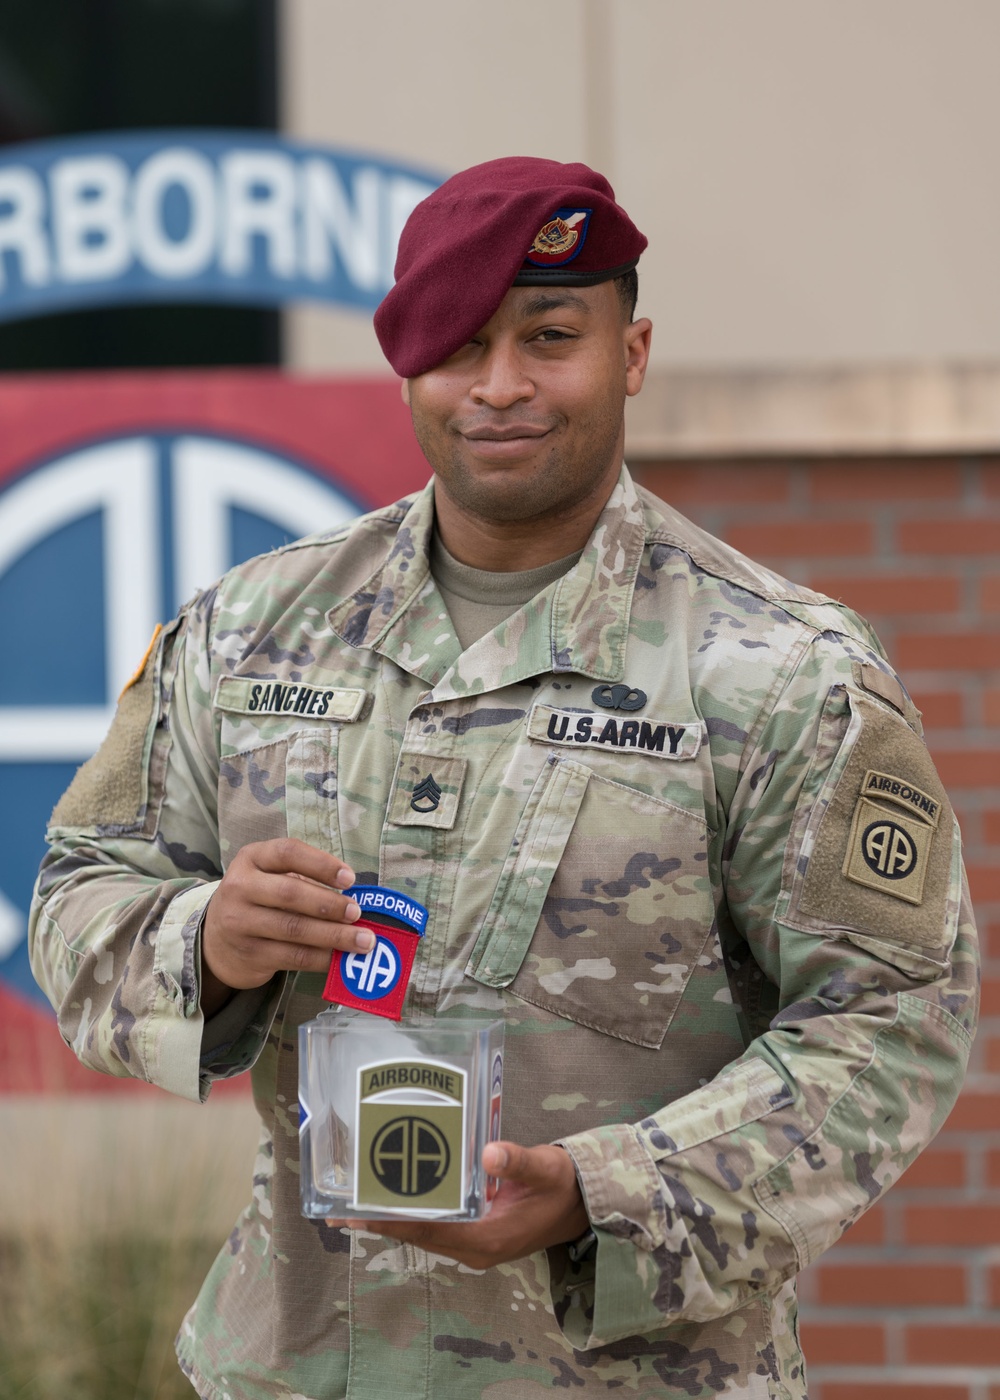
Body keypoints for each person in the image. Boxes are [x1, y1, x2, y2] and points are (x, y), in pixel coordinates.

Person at [29, 156, 977, 1400]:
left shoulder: (778, 670)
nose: (499, 385)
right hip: (301, 1368)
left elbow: (894, 1023)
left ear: (630, 353)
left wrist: (603, 1190)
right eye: (457, 344)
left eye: (549, 336)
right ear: (408, 367)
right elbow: (79, 893)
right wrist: (209, 937)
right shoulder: (254, 626)